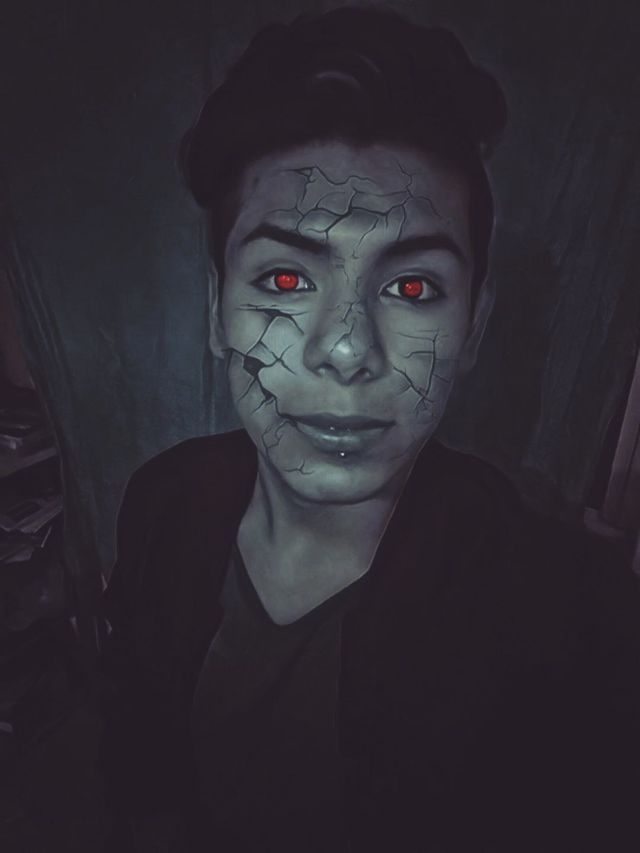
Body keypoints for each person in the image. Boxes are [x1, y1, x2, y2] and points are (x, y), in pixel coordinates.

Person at [100, 8, 640, 852]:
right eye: (285, 279)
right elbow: (144, 765)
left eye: (413, 288)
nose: (347, 348)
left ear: (474, 327)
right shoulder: (161, 504)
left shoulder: (563, 617)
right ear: (215, 311)